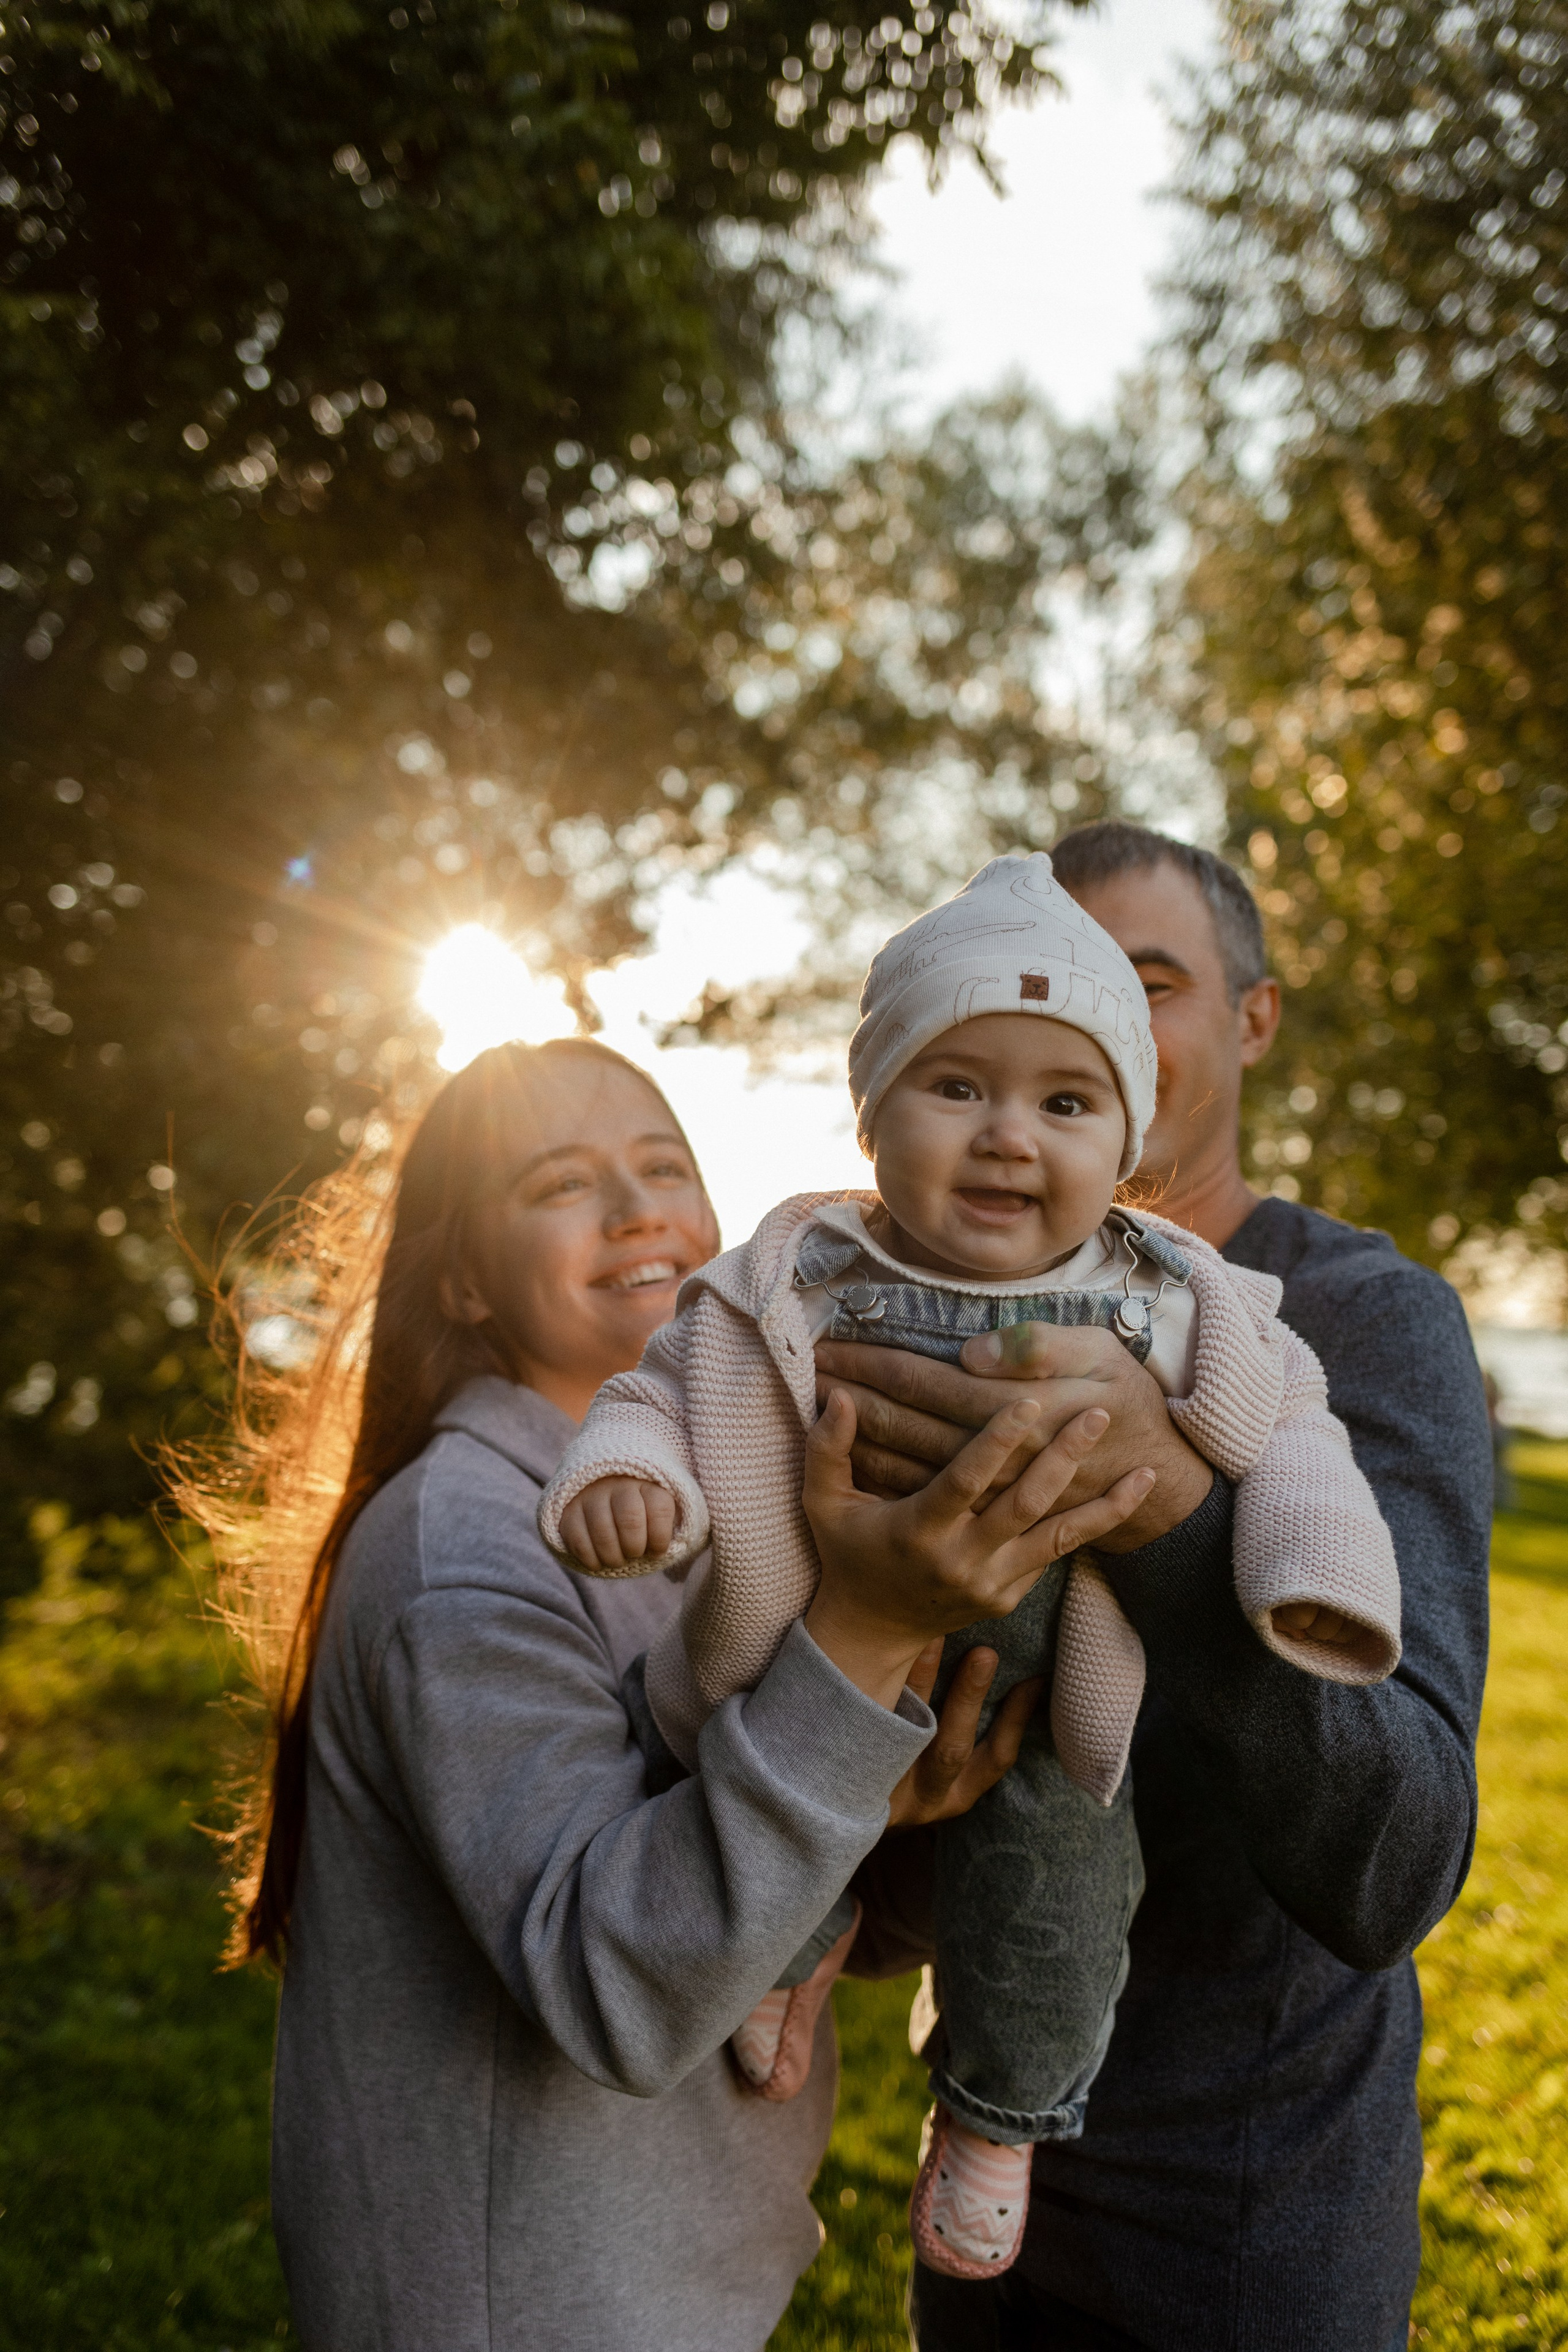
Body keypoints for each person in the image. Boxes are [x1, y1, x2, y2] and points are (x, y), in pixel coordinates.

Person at [181, 1033, 1151, 2352]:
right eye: (560, 1184)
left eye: (661, 1166)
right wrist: (859, 1636)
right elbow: (617, 1992)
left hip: (661, 2288)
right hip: (518, 2307)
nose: (640, 1209)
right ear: (463, 1276)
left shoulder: (695, 1508)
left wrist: (906, 1806)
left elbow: (754, 1926)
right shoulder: (461, 1549)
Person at [538, 853, 1400, 2283]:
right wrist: (630, 1474)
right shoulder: (797, 1268)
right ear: (871, 1110)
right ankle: (786, 1950)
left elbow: (1294, 1426)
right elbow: (664, 1384)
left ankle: (999, 2114)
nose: (1008, 1136)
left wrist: (1310, 1568)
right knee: (753, 1766)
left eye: (1063, 1103)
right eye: (957, 1088)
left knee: (1054, 1882)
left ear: (1120, 1138)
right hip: (813, 1651)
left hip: (1047, 1692)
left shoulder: (1166, 1295)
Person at [820, 823, 1492, 2352]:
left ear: (1248, 1020)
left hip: (1247, 2233)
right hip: (980, 2205)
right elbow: (898, 1861)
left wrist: (1162, 1496)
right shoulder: (893, 1307)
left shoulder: (1358, 1327)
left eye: (1149, 982)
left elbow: (1395, 1864)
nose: (1092, 1022)